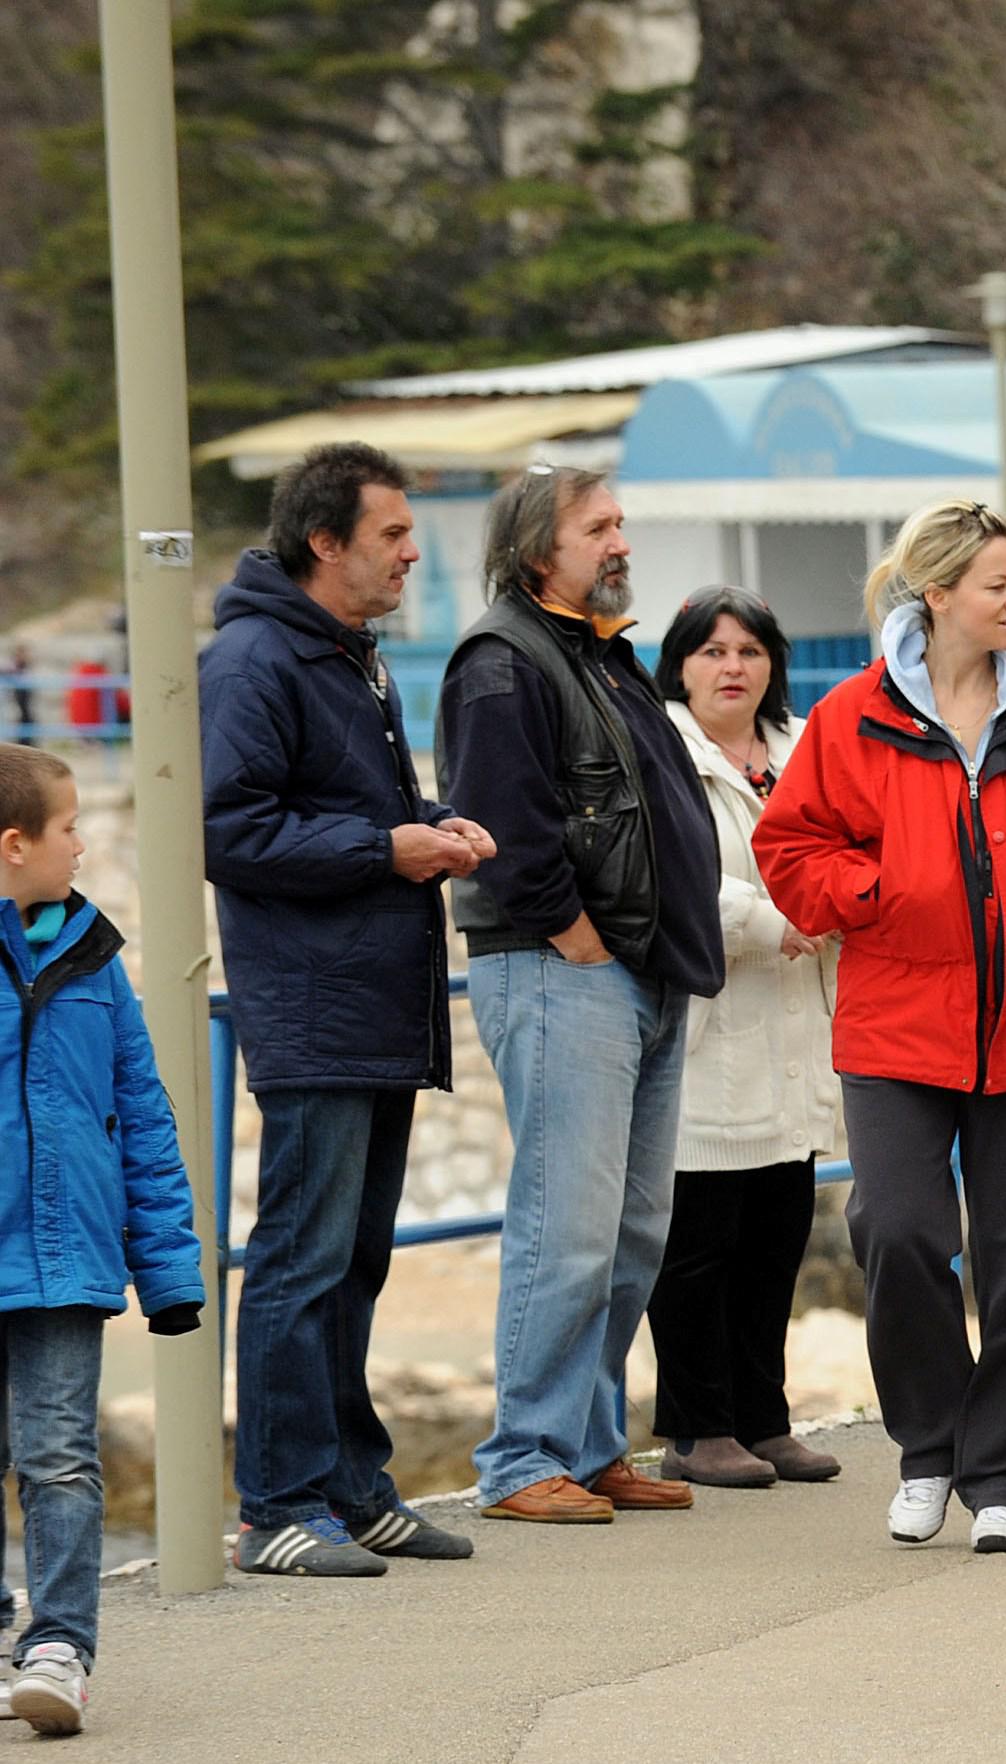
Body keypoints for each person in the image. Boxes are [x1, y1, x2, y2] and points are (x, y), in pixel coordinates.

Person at [753, 500, 1006, 1554]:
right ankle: (928, 1453)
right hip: (894, 1026)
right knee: (897, 1232)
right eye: (999, 586)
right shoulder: (850, 719)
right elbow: (789, 850)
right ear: (937, 595)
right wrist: (879, 892)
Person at [201, 441, 494, 1575]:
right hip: (315, 1005)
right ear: (326, 542)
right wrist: (388, 847)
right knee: (302, 1258)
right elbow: (231, 832)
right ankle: (274, 1505)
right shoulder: (254, 661)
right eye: (390, 534)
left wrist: (434, 820)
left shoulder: (347, 653)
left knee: (357, 1256)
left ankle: (350, 1484)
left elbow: (337, 807)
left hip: (374, 998)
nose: (412, 551)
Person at [436, 464, 726, 1524]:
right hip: (566, 970)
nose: (621, 543)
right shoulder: (500, 663)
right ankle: (522, 1458)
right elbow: (504, 828)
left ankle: (591, 1442)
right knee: (564, 1223)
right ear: (534, 550)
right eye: (597, 527)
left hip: (639, 969)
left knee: (629, 1227)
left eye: (620, 524)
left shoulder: (602, 654)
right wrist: (579, 941)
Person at [0, 744, 206, 1734]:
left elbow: (144, 1113)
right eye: (71, 826)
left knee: (60, 1461)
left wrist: (168, 1270)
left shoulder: (95, 959)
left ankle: (59, 1648)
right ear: (16, 845)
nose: (84, 843)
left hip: (61, 1262)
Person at [646, 587, 844, 1490]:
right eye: (713, 652)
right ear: (680, 664)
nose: (733, 668)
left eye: (751, 651)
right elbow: (663, 874)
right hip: (713, 1019)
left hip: (797, 1019)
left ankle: (765, 1417)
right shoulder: (658, 748)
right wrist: (774, 922)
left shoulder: (807, 747)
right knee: (698, 1243)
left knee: (778, 1231)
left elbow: (850, 843)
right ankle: (697, 1426)